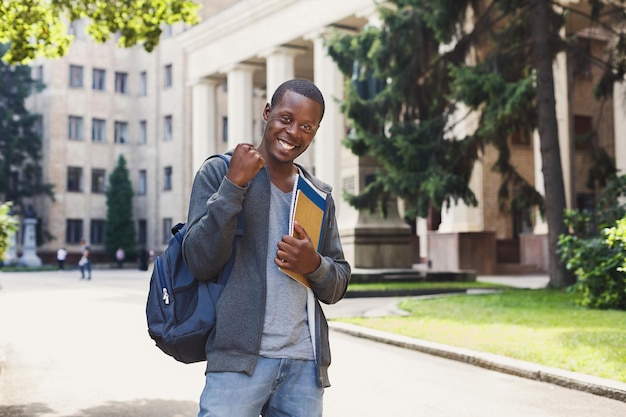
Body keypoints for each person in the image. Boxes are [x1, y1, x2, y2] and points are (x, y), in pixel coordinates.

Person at [182, 79, 351, 417]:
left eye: (306, 126)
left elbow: (339, 283)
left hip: (304, 366)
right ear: (267, 112)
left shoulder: (317, 195)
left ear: (315, 131)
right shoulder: (220, 171)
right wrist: (233, 186)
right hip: (238, 361)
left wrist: (313, 264)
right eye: (286, 119)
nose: (293, 132)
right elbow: (199, 260)